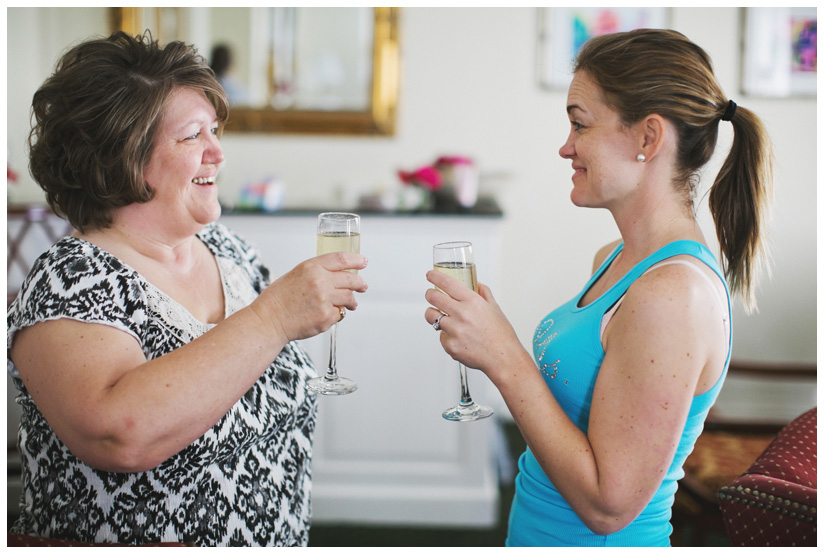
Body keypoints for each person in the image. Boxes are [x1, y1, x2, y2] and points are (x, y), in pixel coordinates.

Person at [7, 31, 368, 546]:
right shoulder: (68, 279)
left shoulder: (232, 251)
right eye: (192, 135)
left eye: (215, 131)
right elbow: (118, 433)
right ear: (123, 153)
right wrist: (274, 317)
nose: (218, 152)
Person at [425, 29, 773, 546]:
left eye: (579, 124)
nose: (566, 147)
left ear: (648, 139)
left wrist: (503, 356)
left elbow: (609, 507)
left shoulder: (672, 295)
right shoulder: (613, 259)